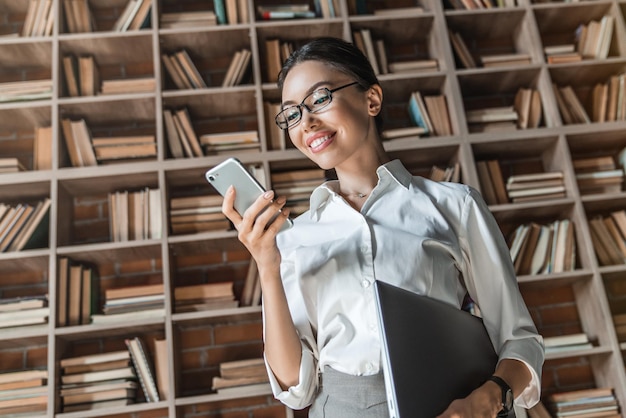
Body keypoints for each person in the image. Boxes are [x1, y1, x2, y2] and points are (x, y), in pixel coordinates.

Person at [221, 37, 544, 418]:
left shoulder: (454, 205)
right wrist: (267, 266)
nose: (305, 122)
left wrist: (487, 399)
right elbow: (296, 387)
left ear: (372, 99)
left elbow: (520, 341)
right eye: (291, 114)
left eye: (320, 98)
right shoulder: (292, 238)